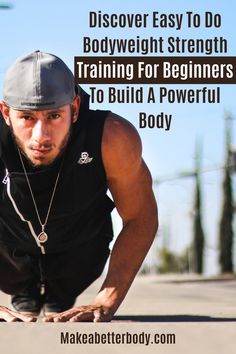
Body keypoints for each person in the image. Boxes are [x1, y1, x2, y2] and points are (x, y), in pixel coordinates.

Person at [0, 51, 158, 322]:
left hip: (78, 254)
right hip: (7, 256)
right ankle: (26, 290)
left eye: (53, 116)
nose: (41, 137)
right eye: (27, 117)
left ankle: (58, 292)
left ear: (74, 109)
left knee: (61, 293)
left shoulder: (113, 137)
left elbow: (140, 217)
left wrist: (106, 299)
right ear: (5, 112)